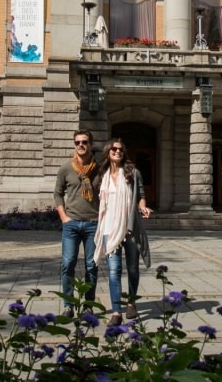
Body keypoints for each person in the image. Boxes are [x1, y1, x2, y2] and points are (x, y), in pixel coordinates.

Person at [94, 138, 151, 326]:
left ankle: (131, 302)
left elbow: (141, 195)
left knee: (133, 268)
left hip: (130, 227)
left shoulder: (132, 173)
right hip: (109, 228)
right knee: (113, 271)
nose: (117, 152)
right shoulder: (102, 175)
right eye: (114, 149)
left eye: (120, 149)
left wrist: (143, 207)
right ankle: (117, 312)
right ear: (107, 152)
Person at [54, 129, 103, 315]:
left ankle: (89, 305)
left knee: (92, 265)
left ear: (90, 144)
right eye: (77, 142)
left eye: (84, 142)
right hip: (71, 224)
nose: (80, 145)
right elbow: (57, 193)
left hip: (93, 224)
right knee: (68, 263)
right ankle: (68, 304)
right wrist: (64, 217)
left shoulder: (99, 168)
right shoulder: (66, 168)